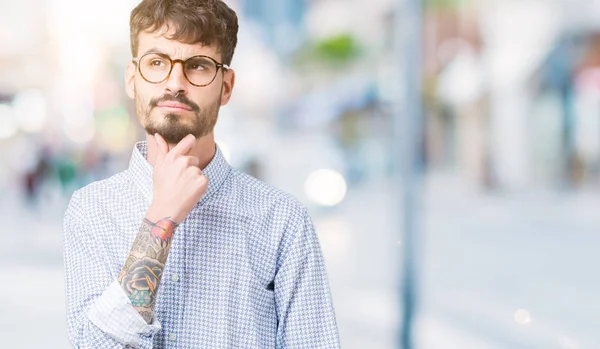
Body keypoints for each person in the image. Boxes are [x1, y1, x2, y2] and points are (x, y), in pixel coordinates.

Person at [62, 0, 340, 348]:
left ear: (226, 86)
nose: (175, 82)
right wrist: (161, 218)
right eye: (157, 62)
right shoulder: (91, 211)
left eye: (197, 66)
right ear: (132, 79)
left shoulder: (282, 221)